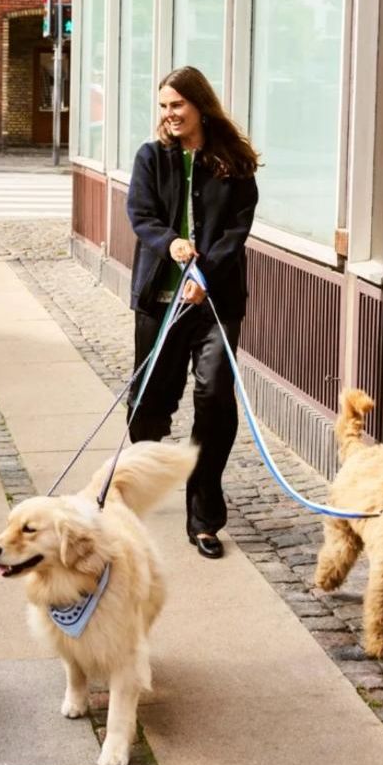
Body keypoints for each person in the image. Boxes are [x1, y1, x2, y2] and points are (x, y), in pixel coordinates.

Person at [125, 66, 259, 559]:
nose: (169, 114)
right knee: (149, 406)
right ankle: (137, 484)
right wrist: (172, 244)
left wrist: (206, 276)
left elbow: (235, 232)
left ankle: (204, 516)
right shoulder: (151, 157)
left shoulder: (234, 163)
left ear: (200, 105)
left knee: (215, 400)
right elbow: (141, 215)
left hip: (215, 306)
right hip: (160, 303)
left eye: (177, 105)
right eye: (163, 106)